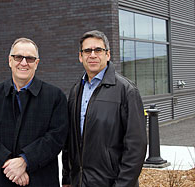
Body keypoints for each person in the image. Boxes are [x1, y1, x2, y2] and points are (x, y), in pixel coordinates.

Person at [0, 37, 68, 187]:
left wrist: (25, 160)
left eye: (30, 58)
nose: (24, 63)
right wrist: (9, 165)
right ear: (10, 61)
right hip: (0, 179)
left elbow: (56, 137)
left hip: (40, 180)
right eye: (18, 57)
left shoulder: (55, 97)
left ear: (36, 63)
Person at [62, 30, 147, 187]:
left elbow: (136, 147)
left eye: (98, 50)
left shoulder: (126, 91)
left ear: (107, 55)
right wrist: (67, 179)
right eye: (87, 51)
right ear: (80, 56)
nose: (92, 55)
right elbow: (70, 142)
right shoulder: (75, 91)